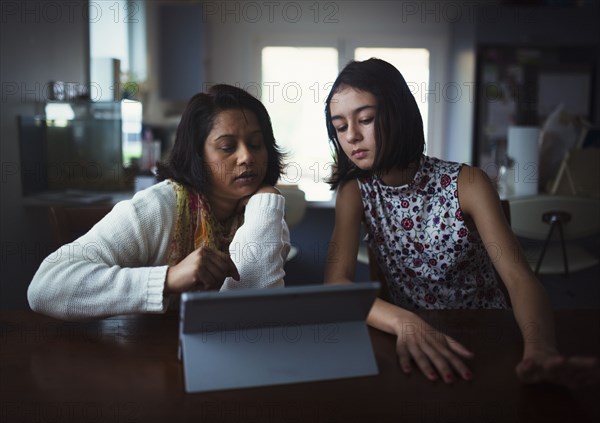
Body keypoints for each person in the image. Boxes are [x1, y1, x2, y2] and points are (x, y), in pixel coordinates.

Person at [323, 58, 597, 386]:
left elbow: (519, 278)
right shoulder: (355, 192)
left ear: (398, 114)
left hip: (487, 332)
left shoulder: (468, 183)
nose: (352, 136)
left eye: (365, 119)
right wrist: (403, 321)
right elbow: (335, 285)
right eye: (340, 127)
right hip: (414, 340)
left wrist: (540, 348)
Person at [28, 84, 290, 321]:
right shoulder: (159, 207)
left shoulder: (262, 214)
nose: (247, 157)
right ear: (197, 154)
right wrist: (167, 279)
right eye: (227, 147)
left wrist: (267, 203)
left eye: (256, 144)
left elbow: (252, 314)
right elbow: (45, 287)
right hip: (130, 358)